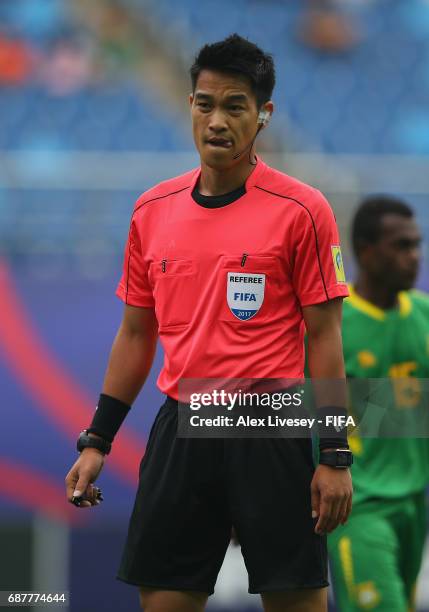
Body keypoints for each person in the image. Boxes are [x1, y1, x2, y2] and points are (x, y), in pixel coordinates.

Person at [65, 34, 352, 612]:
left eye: (235, 106)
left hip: (271, 426)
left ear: (263, 115)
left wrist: (334, 454)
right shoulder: (151, 210)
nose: (216, 121)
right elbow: (136, 335)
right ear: (190, 105)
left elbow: (323, 338)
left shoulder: (303, 209)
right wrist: (98, 439)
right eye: (204, 104)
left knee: (297, 602)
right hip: (185, 425)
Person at [328, 196, 429, 611]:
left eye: (417, 244)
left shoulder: (423, 315)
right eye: (401, 246)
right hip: (359, 506)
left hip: (413, 504)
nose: (415, 257)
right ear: (366, 252)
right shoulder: (333, 324)